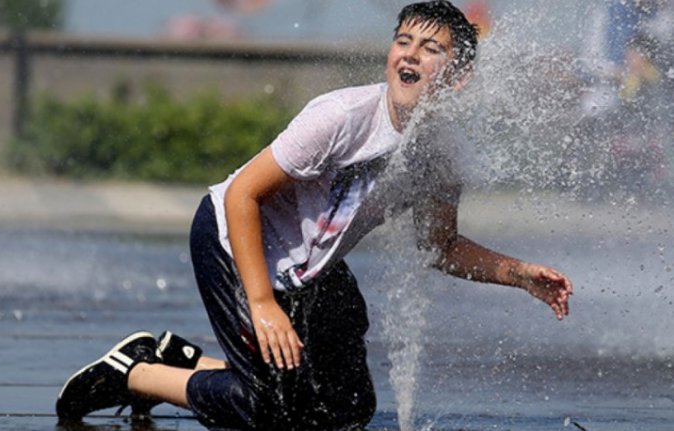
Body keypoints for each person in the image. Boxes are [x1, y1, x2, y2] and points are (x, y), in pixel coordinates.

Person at [55, 1, 573, 430]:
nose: (410, 55)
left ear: (458, 77)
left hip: (309, 269)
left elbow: (439, 246)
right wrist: (261, 303)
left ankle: (188, 362)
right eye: (404, 42)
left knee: (345, 412)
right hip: (235, 240)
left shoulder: (440, 158)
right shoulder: (340, 119)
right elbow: (242, 196)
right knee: (269, 410)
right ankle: (135, 373)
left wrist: (519, 274)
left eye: (432, 48)